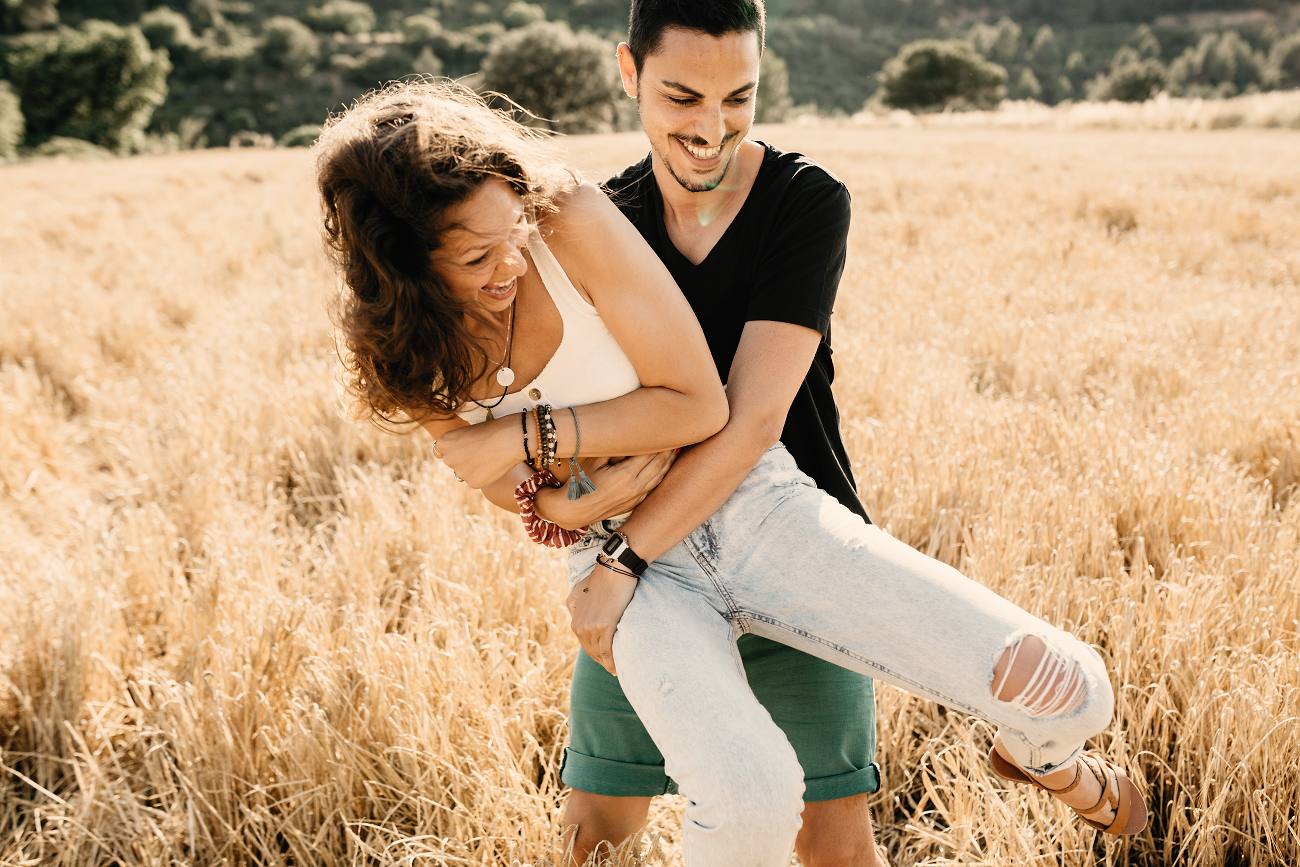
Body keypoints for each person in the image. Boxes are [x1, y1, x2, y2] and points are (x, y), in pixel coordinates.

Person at [313, 80, 1147, 867]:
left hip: (752, 508)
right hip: (638, 584)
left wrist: (533, 439)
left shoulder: (561, 211)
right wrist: (582, 490)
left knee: (1074, 694)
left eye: (512, 236)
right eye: (473, 260)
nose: (509, 266)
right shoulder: (398, 350)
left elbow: (697, 408)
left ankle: (1037, 757)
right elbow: (528, 502)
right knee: (751, 797)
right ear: (402, 268)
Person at [555, 3, 885, 865]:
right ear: (628, 73)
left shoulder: (805, 202)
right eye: (681, 97)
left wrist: (616, 564)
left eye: (739, 97)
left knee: (836, 845)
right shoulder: (600, 222)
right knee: (594, 829)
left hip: (796, 554)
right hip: (654, 576)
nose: (713, 129)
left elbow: (753, 419)